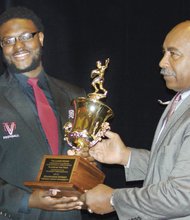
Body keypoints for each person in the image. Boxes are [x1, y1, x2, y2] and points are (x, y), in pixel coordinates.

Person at [81, 20, 190, 220]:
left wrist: (114, 199)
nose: (162, 62)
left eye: (173, 54)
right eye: (164, 52)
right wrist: (126, 156)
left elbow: (183, 195)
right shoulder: (180, 101)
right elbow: (172, 168)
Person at [0, 6, 87, 220]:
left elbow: (87, 154)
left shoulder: (75, 95)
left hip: (70, 214)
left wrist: (89, 160)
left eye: (25, 37)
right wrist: (27, 200)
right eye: (8, 41)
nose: (17, 46)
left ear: (41, 38)